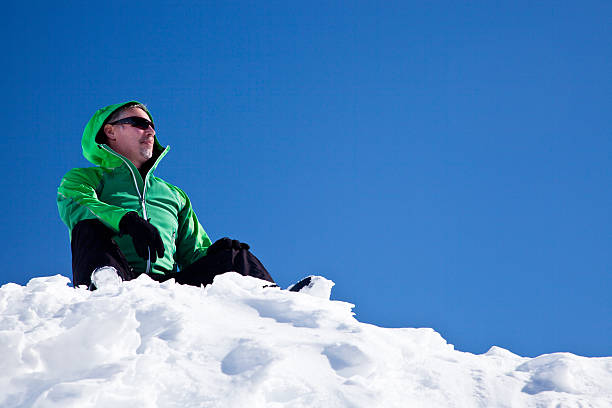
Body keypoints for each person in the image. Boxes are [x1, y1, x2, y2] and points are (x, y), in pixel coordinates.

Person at [57, 101, 275, 290]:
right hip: (117, 278)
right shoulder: (85, 178)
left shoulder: (173, 195)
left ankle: (273, 299)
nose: (150, 132)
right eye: (140, 124)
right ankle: (105, 283)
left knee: (235, 257)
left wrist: (214, 253)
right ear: (111, 131)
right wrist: (125, 220)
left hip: (167, 285)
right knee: (88, 228)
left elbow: (191, 253)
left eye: (152, 126)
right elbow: (81, 206)